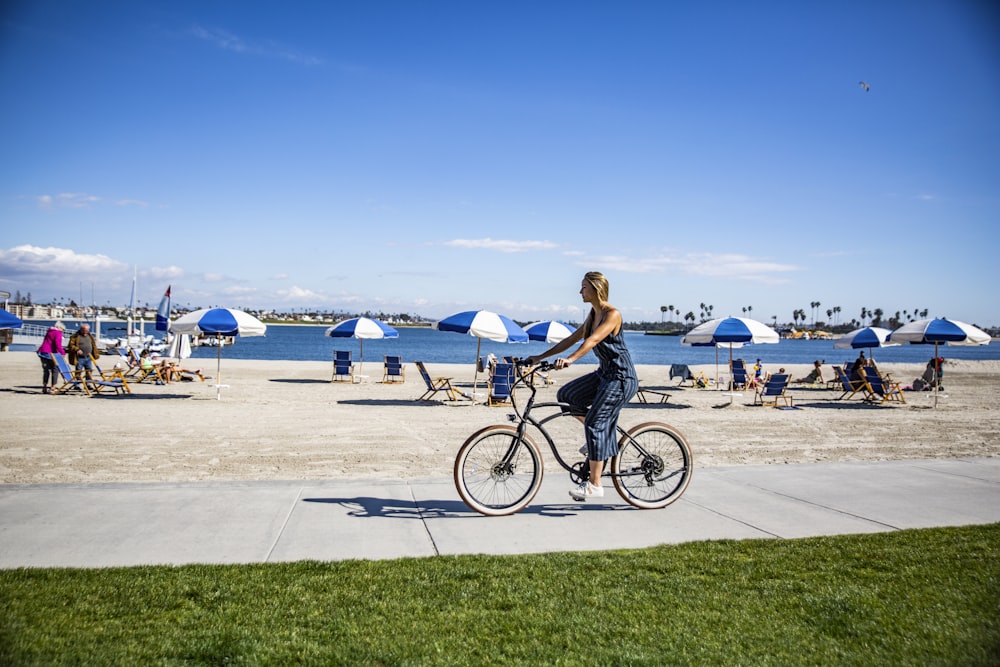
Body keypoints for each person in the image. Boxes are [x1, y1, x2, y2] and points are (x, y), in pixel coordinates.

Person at [525, 272, 638, 501]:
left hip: (621, 378)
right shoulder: (592, 315)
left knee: (595, 423)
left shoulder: (612, 314)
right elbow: (570, 340)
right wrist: (539, 357)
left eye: (584, 287)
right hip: (604, 374)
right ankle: (600, 439)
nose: (580, 292)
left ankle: (595, 485)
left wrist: (571, 360)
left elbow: (592, 340)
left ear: (596, 288)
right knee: (567, 395)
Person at [36, 321, 67, 394]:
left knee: (46, 371)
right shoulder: (58, 333)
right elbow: (57, 344)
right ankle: (53, 387)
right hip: (51, 353)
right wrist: (62, 352)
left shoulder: (49, 331)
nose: (62, 331)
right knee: (55, 370)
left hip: (42, 351)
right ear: (60, 328)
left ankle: (44, 386)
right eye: (63, 329)